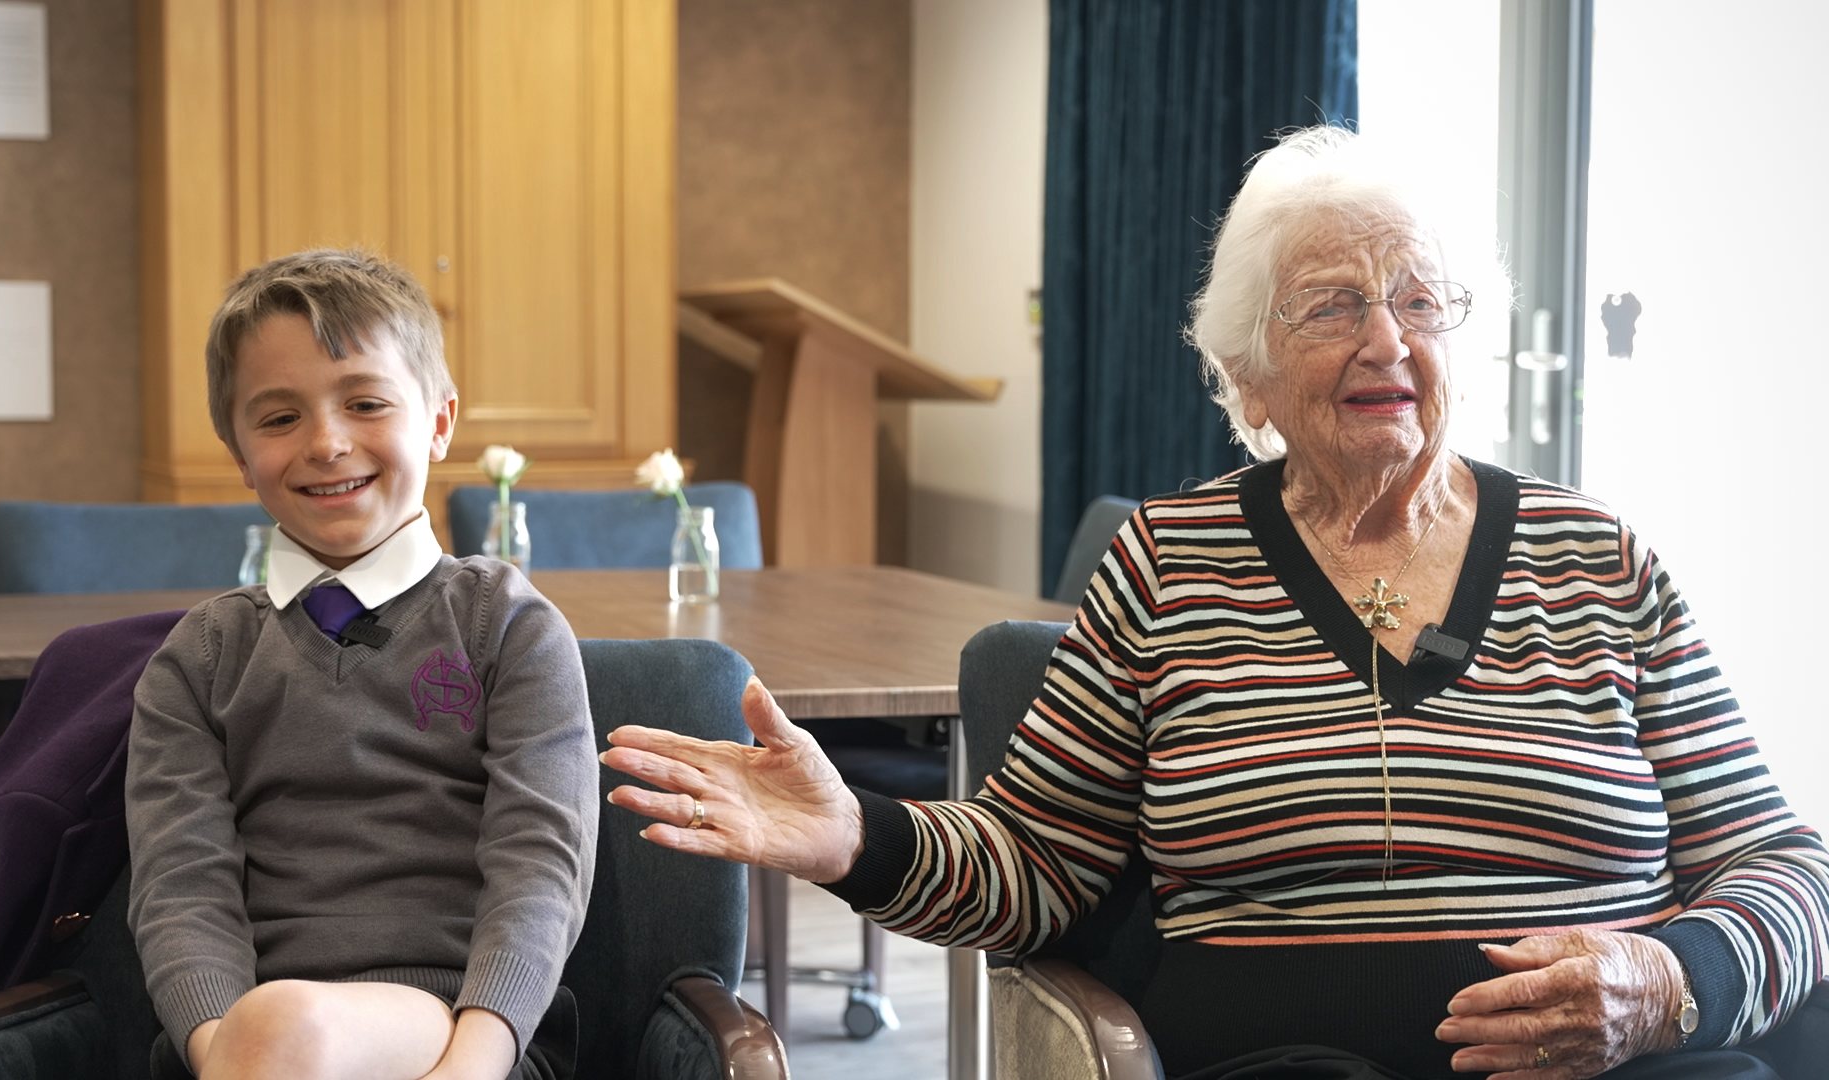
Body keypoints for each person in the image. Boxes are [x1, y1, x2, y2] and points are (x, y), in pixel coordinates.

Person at [601, 127, 1829, 1079]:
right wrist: (854, 836)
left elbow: (1785, 866)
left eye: (1420, 300)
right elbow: (1034, 865)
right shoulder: (1166, 563)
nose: (1387, 342)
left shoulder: (1598, 557)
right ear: (1244, 367)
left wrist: (1676, 981)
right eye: (1333, 305)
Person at [125, 250, 597, 1080]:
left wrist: (472, 1065)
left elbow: (541, 867)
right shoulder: (198, 659)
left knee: (287, 1020)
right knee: (281, 1021)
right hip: (236, 1044)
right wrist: (234, 1051)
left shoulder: (507, 626)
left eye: (366, 403)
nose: (327, 442)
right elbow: (179, 889)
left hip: (465, 1035)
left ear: (441, 421)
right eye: (277, 420)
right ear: (237, 452)